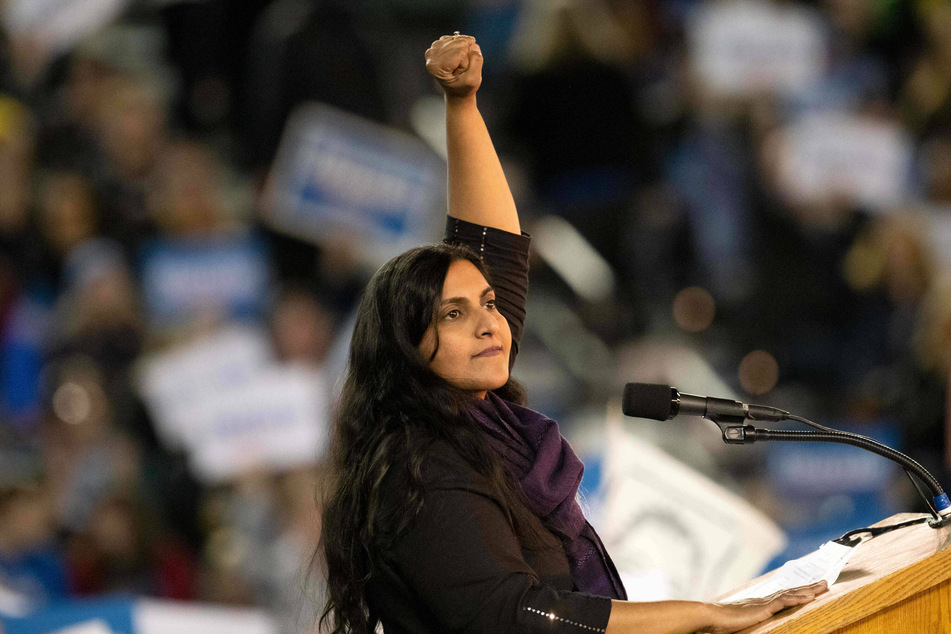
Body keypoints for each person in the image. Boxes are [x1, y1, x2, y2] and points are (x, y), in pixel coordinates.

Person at [319, 34, 826, 634]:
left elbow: (493, 249)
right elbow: (515, 615)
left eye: (488, 304)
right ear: (405, 347)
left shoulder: (483, 421)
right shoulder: (419, 468)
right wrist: (703, 615)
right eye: (453, 314)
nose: (490, 321)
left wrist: (463, 105)